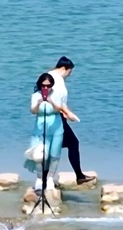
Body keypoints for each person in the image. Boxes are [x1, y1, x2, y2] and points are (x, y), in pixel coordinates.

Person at [45, 56, 88, 185]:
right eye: (70, 72)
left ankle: (45, 180)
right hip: (54, 118)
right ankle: (79, 176)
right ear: (64, 68)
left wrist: (64, 112)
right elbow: (52, 99)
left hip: (50, 117)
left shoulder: (49, 76)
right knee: (73, 144)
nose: (69, 75)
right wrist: (66, 113)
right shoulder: (56, 80)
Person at [26, 72, 67, 202]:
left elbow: (58, 109)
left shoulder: (57, 94)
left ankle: (50, 178)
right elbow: (33, 111)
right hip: (41, 127)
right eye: (43, 86)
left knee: (54, 154)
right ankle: (39, 179)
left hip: (55, 126)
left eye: (48, 86)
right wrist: (39, 103)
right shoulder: (35, 95)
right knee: (41, 155)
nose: (46, 88)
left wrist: (51, 101)